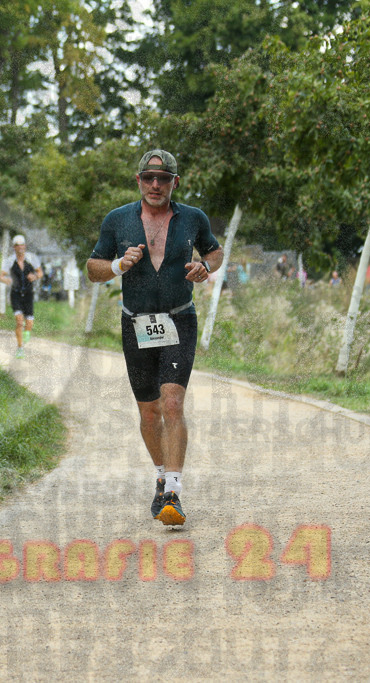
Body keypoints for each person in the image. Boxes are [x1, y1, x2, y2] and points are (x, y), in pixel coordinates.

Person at [86, 149, 222, 526]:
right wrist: (118, 265)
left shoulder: (193, 218)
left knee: (173, 403)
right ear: (139, 181)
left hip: (180, 319)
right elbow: (92, 268)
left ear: (175, 182)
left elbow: (215, 250)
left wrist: (204, 266)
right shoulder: (117, 220)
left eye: (163, 179)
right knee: (149, 412)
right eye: (149, 178)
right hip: (137, 323)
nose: (156, 185)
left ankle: (174, 493)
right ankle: (161, 475)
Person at [0, 234, 42, 358]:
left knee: (29, 323)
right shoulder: (9, 261)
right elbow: (1, 276)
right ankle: (20, 348)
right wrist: (6, 280)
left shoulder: (32, 259)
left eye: (22, 244)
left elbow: (40, 273)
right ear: (14, 247)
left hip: (28, 294)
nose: (20, 247)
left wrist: (34, 276)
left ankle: (27, 333)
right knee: (19, 321)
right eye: (17, 245)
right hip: (16, 294)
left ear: (25, 246)